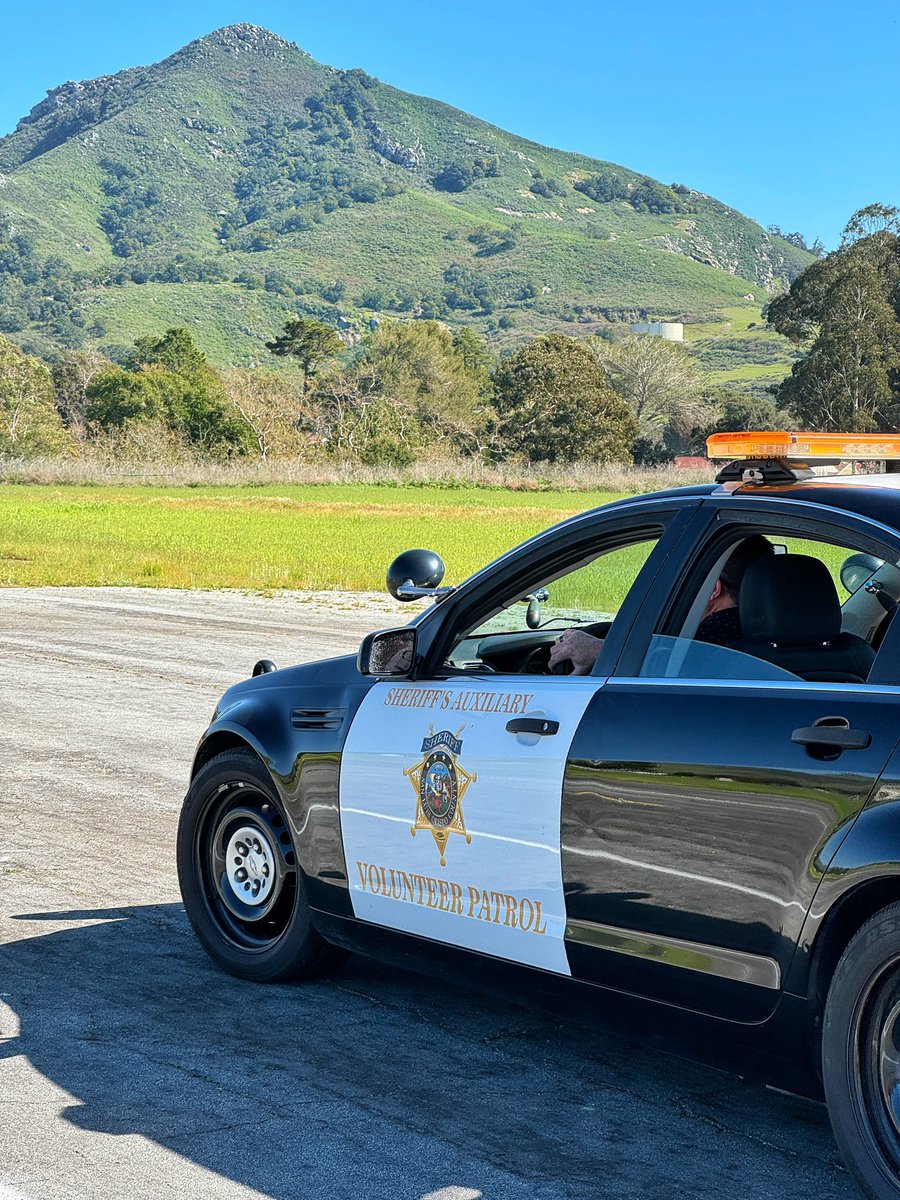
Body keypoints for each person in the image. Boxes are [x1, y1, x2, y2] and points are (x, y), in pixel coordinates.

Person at [547, 535, 774, 675]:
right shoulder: (771, 639)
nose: (682, 588)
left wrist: (602, 651)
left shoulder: (709, 644)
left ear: (714, 589)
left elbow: (668, 673)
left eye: (688, 580)